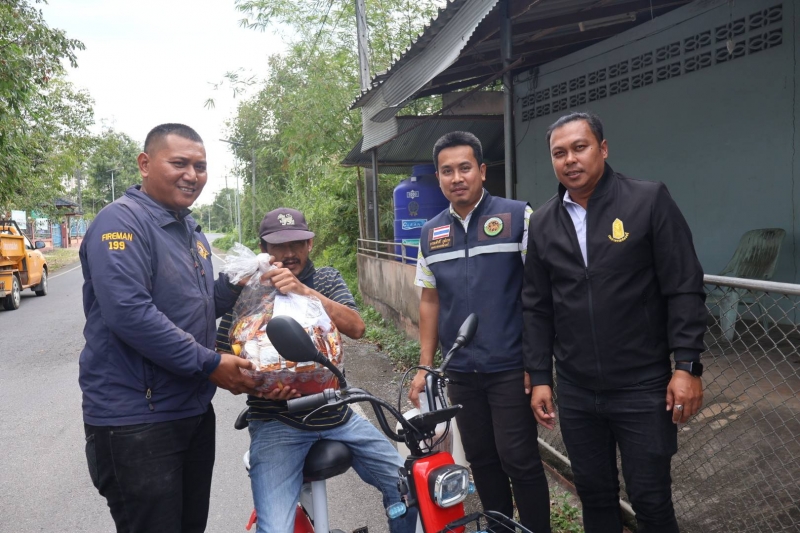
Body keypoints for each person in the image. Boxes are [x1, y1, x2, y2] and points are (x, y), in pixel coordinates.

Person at [522, 111, 707, 533]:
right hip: (577, 389)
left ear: (603, 149)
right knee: (595, 496)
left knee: (651, 500)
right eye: (559, 153)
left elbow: (683, 285)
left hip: (642, 386)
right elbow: (536, 306)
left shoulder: (647, 200)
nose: (570, 159)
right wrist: (541, 376)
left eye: (580, 147)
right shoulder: (544, 221)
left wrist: (687, 365)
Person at [79, 123, 262, 533]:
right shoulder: (121, 223)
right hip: (137, 419)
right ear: (145, 164)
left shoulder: (189, 230)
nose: (192, 175)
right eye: (179, 163)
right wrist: (211, 363)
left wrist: (240, 278)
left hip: (192, 409)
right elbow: (130, 313)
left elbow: (198, 306)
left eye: (200, 166)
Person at [215, 207, 417, 533]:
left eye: (297, 243)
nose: (289, 253)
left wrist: (304, 291)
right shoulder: (248, 292)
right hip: (276, 421)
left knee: (406, 488)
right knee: (275, 529)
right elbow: (221, 360)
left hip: (338, 413)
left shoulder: (325, 279)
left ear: (310, 244)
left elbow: (357, 327)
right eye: (279, 245)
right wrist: (257, 385)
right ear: (263, 248)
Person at [408, 131, 552, 533]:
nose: (457, 178)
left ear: (483, 171)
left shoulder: (516, 217)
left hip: (510, 366)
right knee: (482, 460)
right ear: (438, 177)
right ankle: (500, 528)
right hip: (461, 372)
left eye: (465, 168)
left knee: (518, 458)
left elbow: (538, 294)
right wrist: (425, 365)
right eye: (447, 171)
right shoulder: (430, 234)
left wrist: (537, 365)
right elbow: (430, 300)